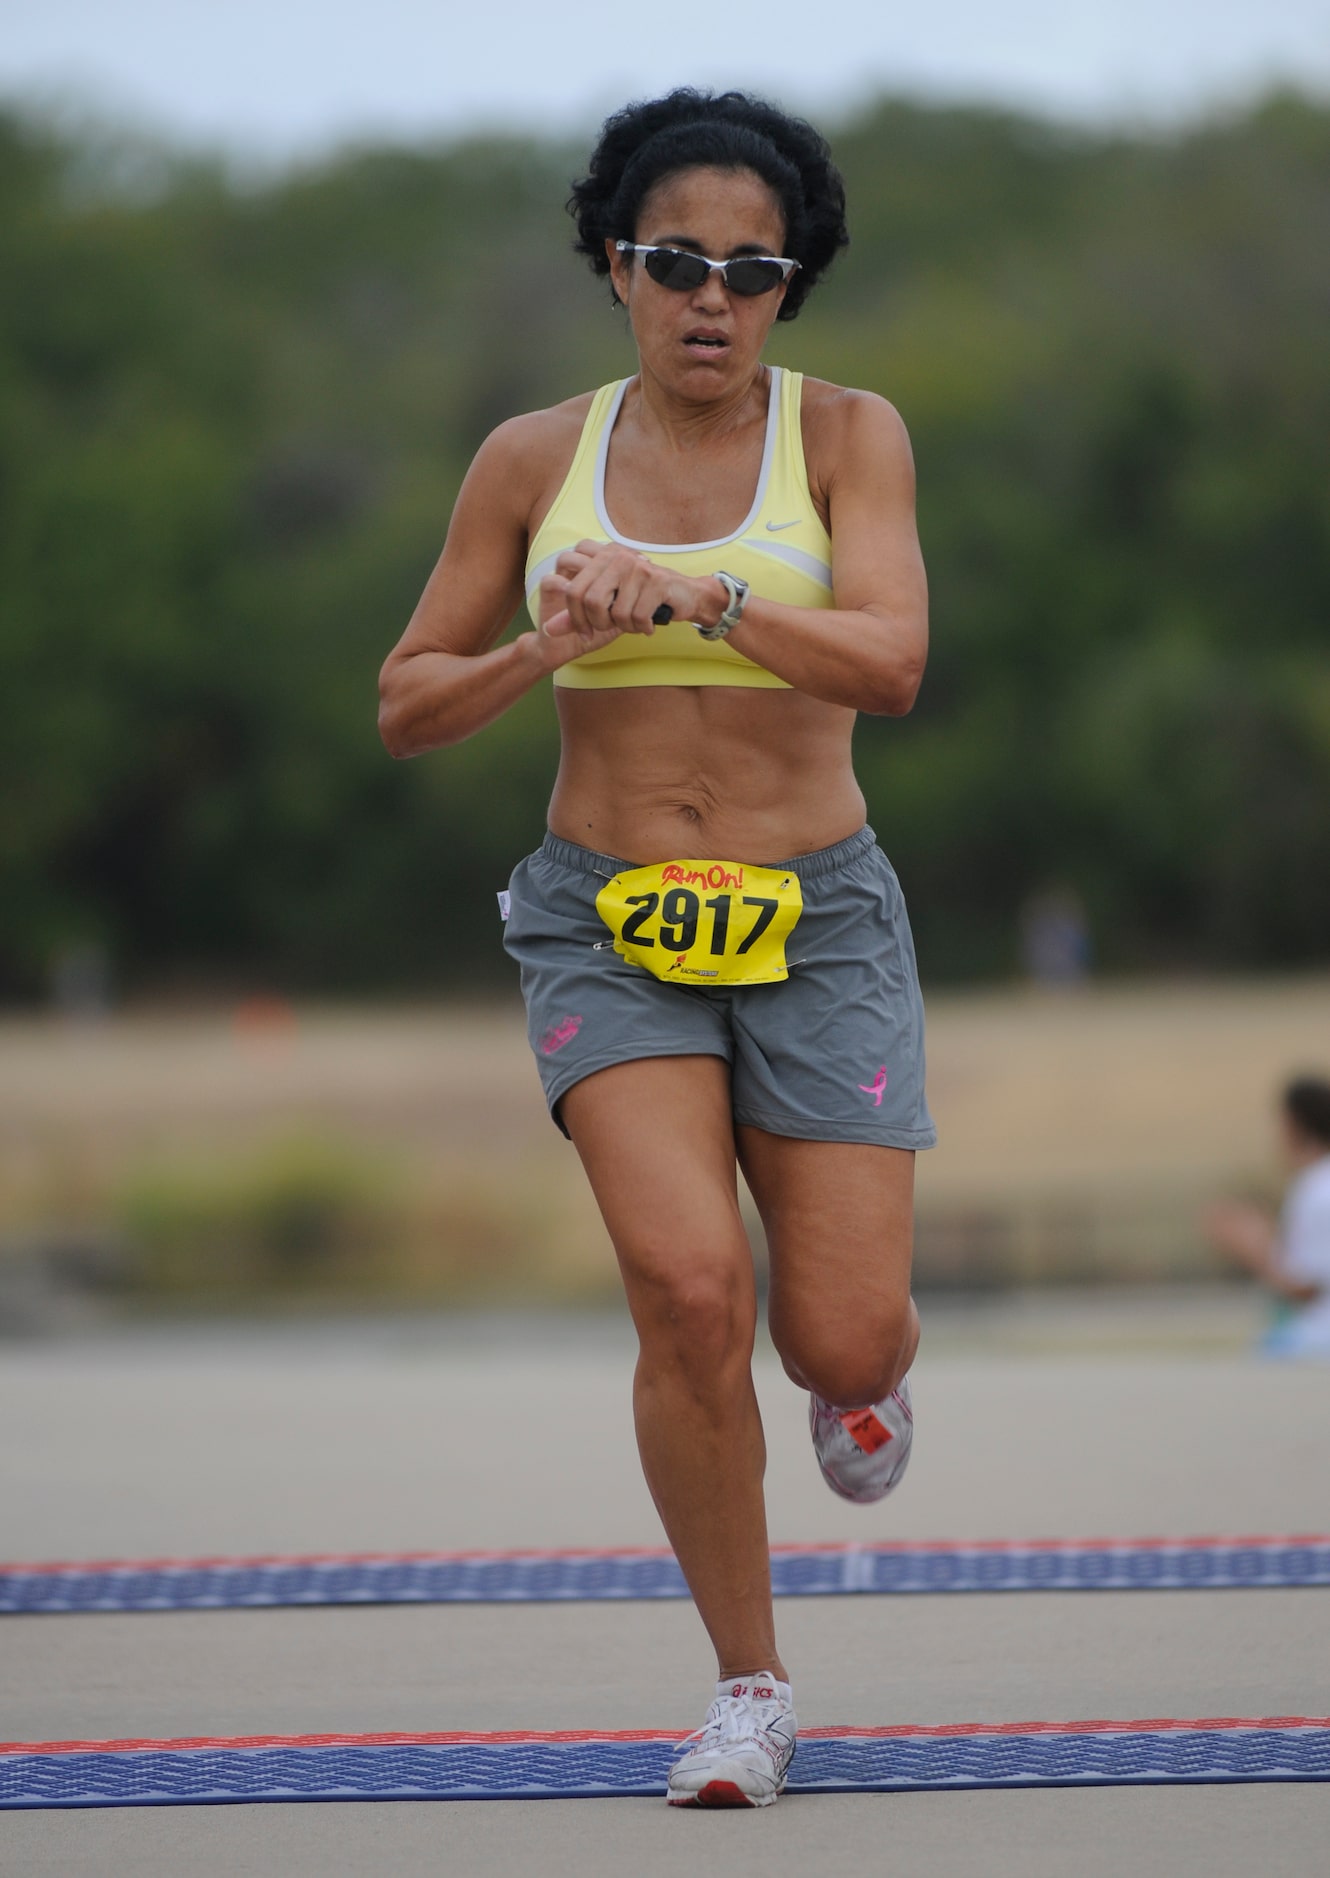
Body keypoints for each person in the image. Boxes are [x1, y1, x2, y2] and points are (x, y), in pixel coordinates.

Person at [378, 88, 934, 1809]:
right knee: (690, 1291)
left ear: (788, 286)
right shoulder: (531, 460)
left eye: (753, 269)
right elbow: (407, 704)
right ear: (615, 265)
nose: (713, 297)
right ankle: (748, 1691)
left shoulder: (847, 437)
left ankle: (859, 1389)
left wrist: (711, 602)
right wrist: (550, 641)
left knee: (838, 1333)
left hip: (815, 913)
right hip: (607, 922)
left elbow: (895, 666)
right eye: (677, 260)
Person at [1202, 1075, 1330, 1359]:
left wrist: (1253, 1247)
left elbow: (1308, 1290)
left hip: (1317, 1343)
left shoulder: (1315, 1188)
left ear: (1294, 1123)